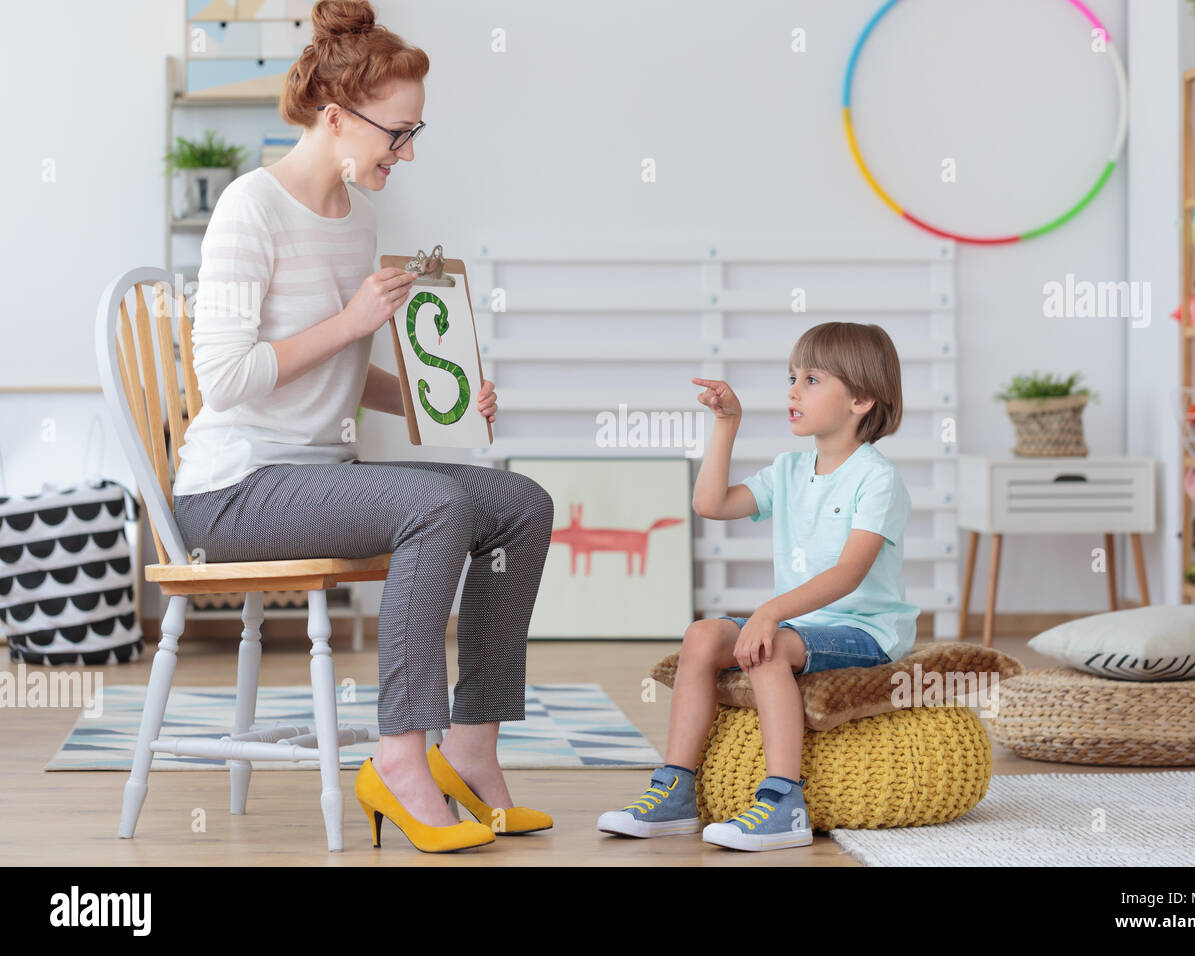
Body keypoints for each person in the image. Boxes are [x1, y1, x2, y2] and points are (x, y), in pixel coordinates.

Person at [171, 0, 553, 854]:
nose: (407, 153)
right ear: (337, 118)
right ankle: (398, 758)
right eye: (398, 134)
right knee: (436, 510)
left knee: (521, 503)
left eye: (418, 133)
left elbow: (340, 373)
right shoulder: (249, 211)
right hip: (233, 491)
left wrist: (435, 398)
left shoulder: (362, 218)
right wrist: (349, 322)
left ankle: (472, 750)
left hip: (320, 474)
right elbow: (224, 379)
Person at [596, 321, 920, 851]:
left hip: (864, 630)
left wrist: (768, 614)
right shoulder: (789, 469)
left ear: (861, 399)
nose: (793, 390)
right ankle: (676, 790)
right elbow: (711, 504)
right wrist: (727, 423)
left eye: (812, 380)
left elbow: (848, 574)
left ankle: (784, 801)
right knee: (702, 636)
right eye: (792, 377)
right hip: (800, 623)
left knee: (765, 649)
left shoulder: (876, 478)